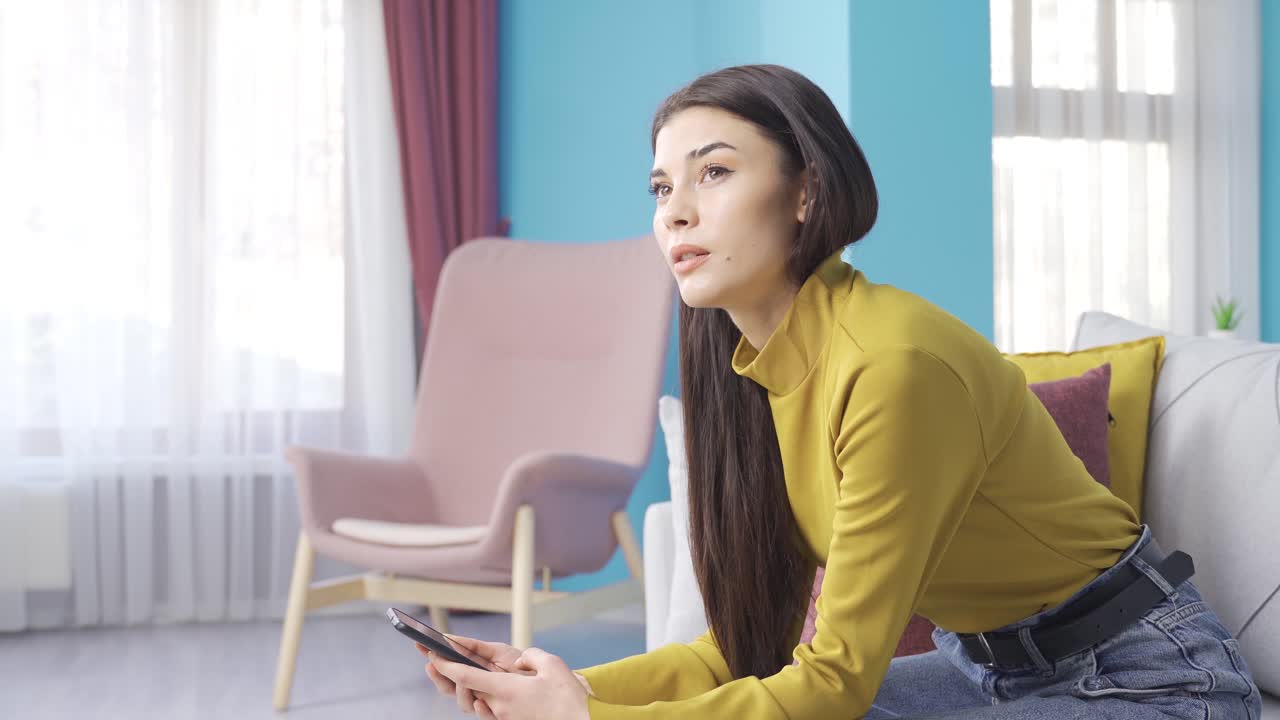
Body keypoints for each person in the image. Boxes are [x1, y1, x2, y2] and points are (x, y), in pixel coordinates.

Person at [417, 64, 1263, 720]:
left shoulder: (892, 365)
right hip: (984, 670)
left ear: (806, 192)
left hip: (1146, 681)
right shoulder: (756, 374)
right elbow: (744, 651)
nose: (675, 212)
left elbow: (832, 685)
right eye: (661, 187)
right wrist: (563, 686)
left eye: (713, 173)